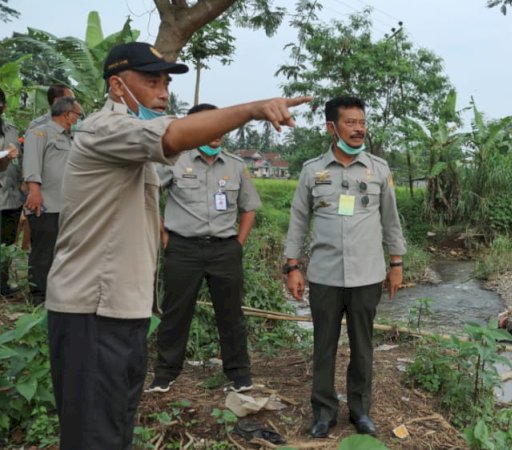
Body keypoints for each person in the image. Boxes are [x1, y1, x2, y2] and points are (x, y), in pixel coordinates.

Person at [45, 41, 310, 450]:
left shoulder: (137, 146)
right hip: (92, 310)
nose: (163, 93)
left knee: (114, 429)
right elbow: (173, 134)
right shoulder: (104, 128)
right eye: (152, 81)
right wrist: (252, 109)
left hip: (123, 308)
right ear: (117, 86)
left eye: (166, 82)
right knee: (92, 436)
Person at [284, 95, 406, 438]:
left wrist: (396, 262)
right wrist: (291, 266)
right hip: (324, 275)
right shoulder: (312, 171)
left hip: (368, 275)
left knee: (363, 346)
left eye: (362, 122)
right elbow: (298, 221)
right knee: (323, 345)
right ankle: (323, 412)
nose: (358, 129)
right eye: (351, 122)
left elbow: (391, 221)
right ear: (331, 127)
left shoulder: (378, 169)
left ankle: (361, 411)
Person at [148, 103, 261, 394]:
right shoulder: (175, 161)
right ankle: (165, 373)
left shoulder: (236, 165)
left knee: (231, 313)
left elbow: (249, 207)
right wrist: (162, 232)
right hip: (183, 248)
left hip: (224, 249)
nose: (216, 133)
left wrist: (238, 244)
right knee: (176, 312)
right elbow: (147, 192)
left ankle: (239, 373)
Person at [22, 96, 83, 305]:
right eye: (78, 115)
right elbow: (31, 162)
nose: (79, 119)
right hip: (45, 203)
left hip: (66, 206)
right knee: (43, 251)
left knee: (61, 251)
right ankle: (38, 296)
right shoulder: (41, 132)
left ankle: (55, 293)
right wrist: (34, 191)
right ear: (67, 114)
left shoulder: (71, 138)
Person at [0, 88, 23, 297]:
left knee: (7, 242)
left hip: (12, 196)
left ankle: (3, 283)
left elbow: (18, 158)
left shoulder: (12, 130)